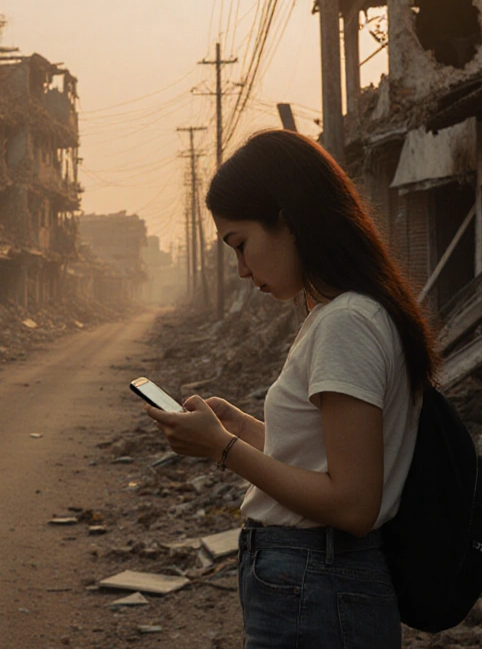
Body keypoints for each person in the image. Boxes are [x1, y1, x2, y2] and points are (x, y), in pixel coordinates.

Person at [145, 129, 436, 649]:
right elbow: (325, 463)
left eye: (241, 245)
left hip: (318, 583)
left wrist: (223, 449)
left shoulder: (346, 322)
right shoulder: (345, 313)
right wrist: (245, 430)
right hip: (317, 581)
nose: (240, 270)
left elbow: (351, 503)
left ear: (288, 219)